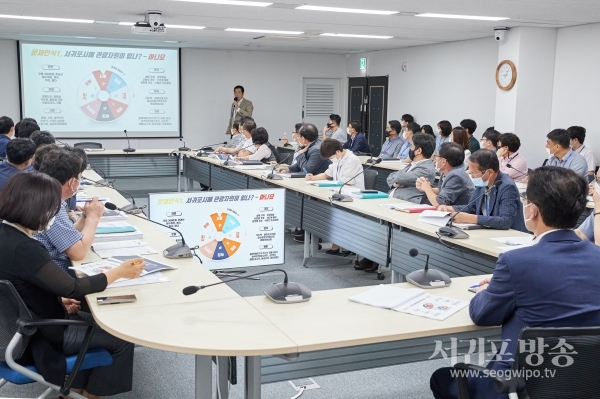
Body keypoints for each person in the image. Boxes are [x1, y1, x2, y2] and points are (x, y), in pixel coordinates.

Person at [431, 166, 600, 399]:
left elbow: (482, 315)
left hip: (515, 387)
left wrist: (492, 288)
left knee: (442, 378)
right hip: (587, 382)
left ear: (533, 211)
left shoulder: (516, 262)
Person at [0, 171, 145, 397]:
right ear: (36, 208)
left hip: (11, 332)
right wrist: (118, 272)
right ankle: (89, 394)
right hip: (34, 339)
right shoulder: (26, 248)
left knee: (89, 318)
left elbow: (17, 287)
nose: (53, 214)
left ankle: (73, 390)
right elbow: (73, 288)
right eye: (51, 208)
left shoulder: (7, 235)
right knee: (122, 337)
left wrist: (57, 299)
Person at [34, 150, 105, 277]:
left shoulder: (46, 195)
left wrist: (85, 216)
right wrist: (93, 218)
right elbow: (78, 253)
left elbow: (66, 235)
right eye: (79, 178)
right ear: (72, 182)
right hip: (55, 277)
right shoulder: (52, 205)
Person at [438, 149, 527, 232]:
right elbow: (472, 207)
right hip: (488, 231)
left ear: (489, 172)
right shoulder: (483, 182)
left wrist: (471, 218)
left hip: (509, 236)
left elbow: (506, 221)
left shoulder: (507, 187)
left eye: (474, 173)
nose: (472, 177)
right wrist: (449, 209)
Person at [307, 138, 364, 255]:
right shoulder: (338, 159)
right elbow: (327, 174)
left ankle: (345, 245)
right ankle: (337, 243)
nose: (331, 159)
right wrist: (312, 178)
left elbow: (346, 183)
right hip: (340, 193)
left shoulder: (351, 160)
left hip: (352, 197)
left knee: (335, 213)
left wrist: (331, 187)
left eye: (331, 157)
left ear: (338, 151)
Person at [417, 142, 475, 207]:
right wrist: (425, 187)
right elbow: (443, 191)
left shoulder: (456, 176)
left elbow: (439, 203)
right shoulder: (448, 170)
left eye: (437, 156)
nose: (435, 159)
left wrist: (427, 189)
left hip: (460, 214)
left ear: (444, 161)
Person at [386, 133, 436, 203]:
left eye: (412, 146)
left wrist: (396, 179)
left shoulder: (427, 169)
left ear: (419, 151)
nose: (410, 148)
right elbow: (390, 177)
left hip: (406, 202)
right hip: (394, 200)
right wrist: (395, 184)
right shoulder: (414, 163)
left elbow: (399, 177)